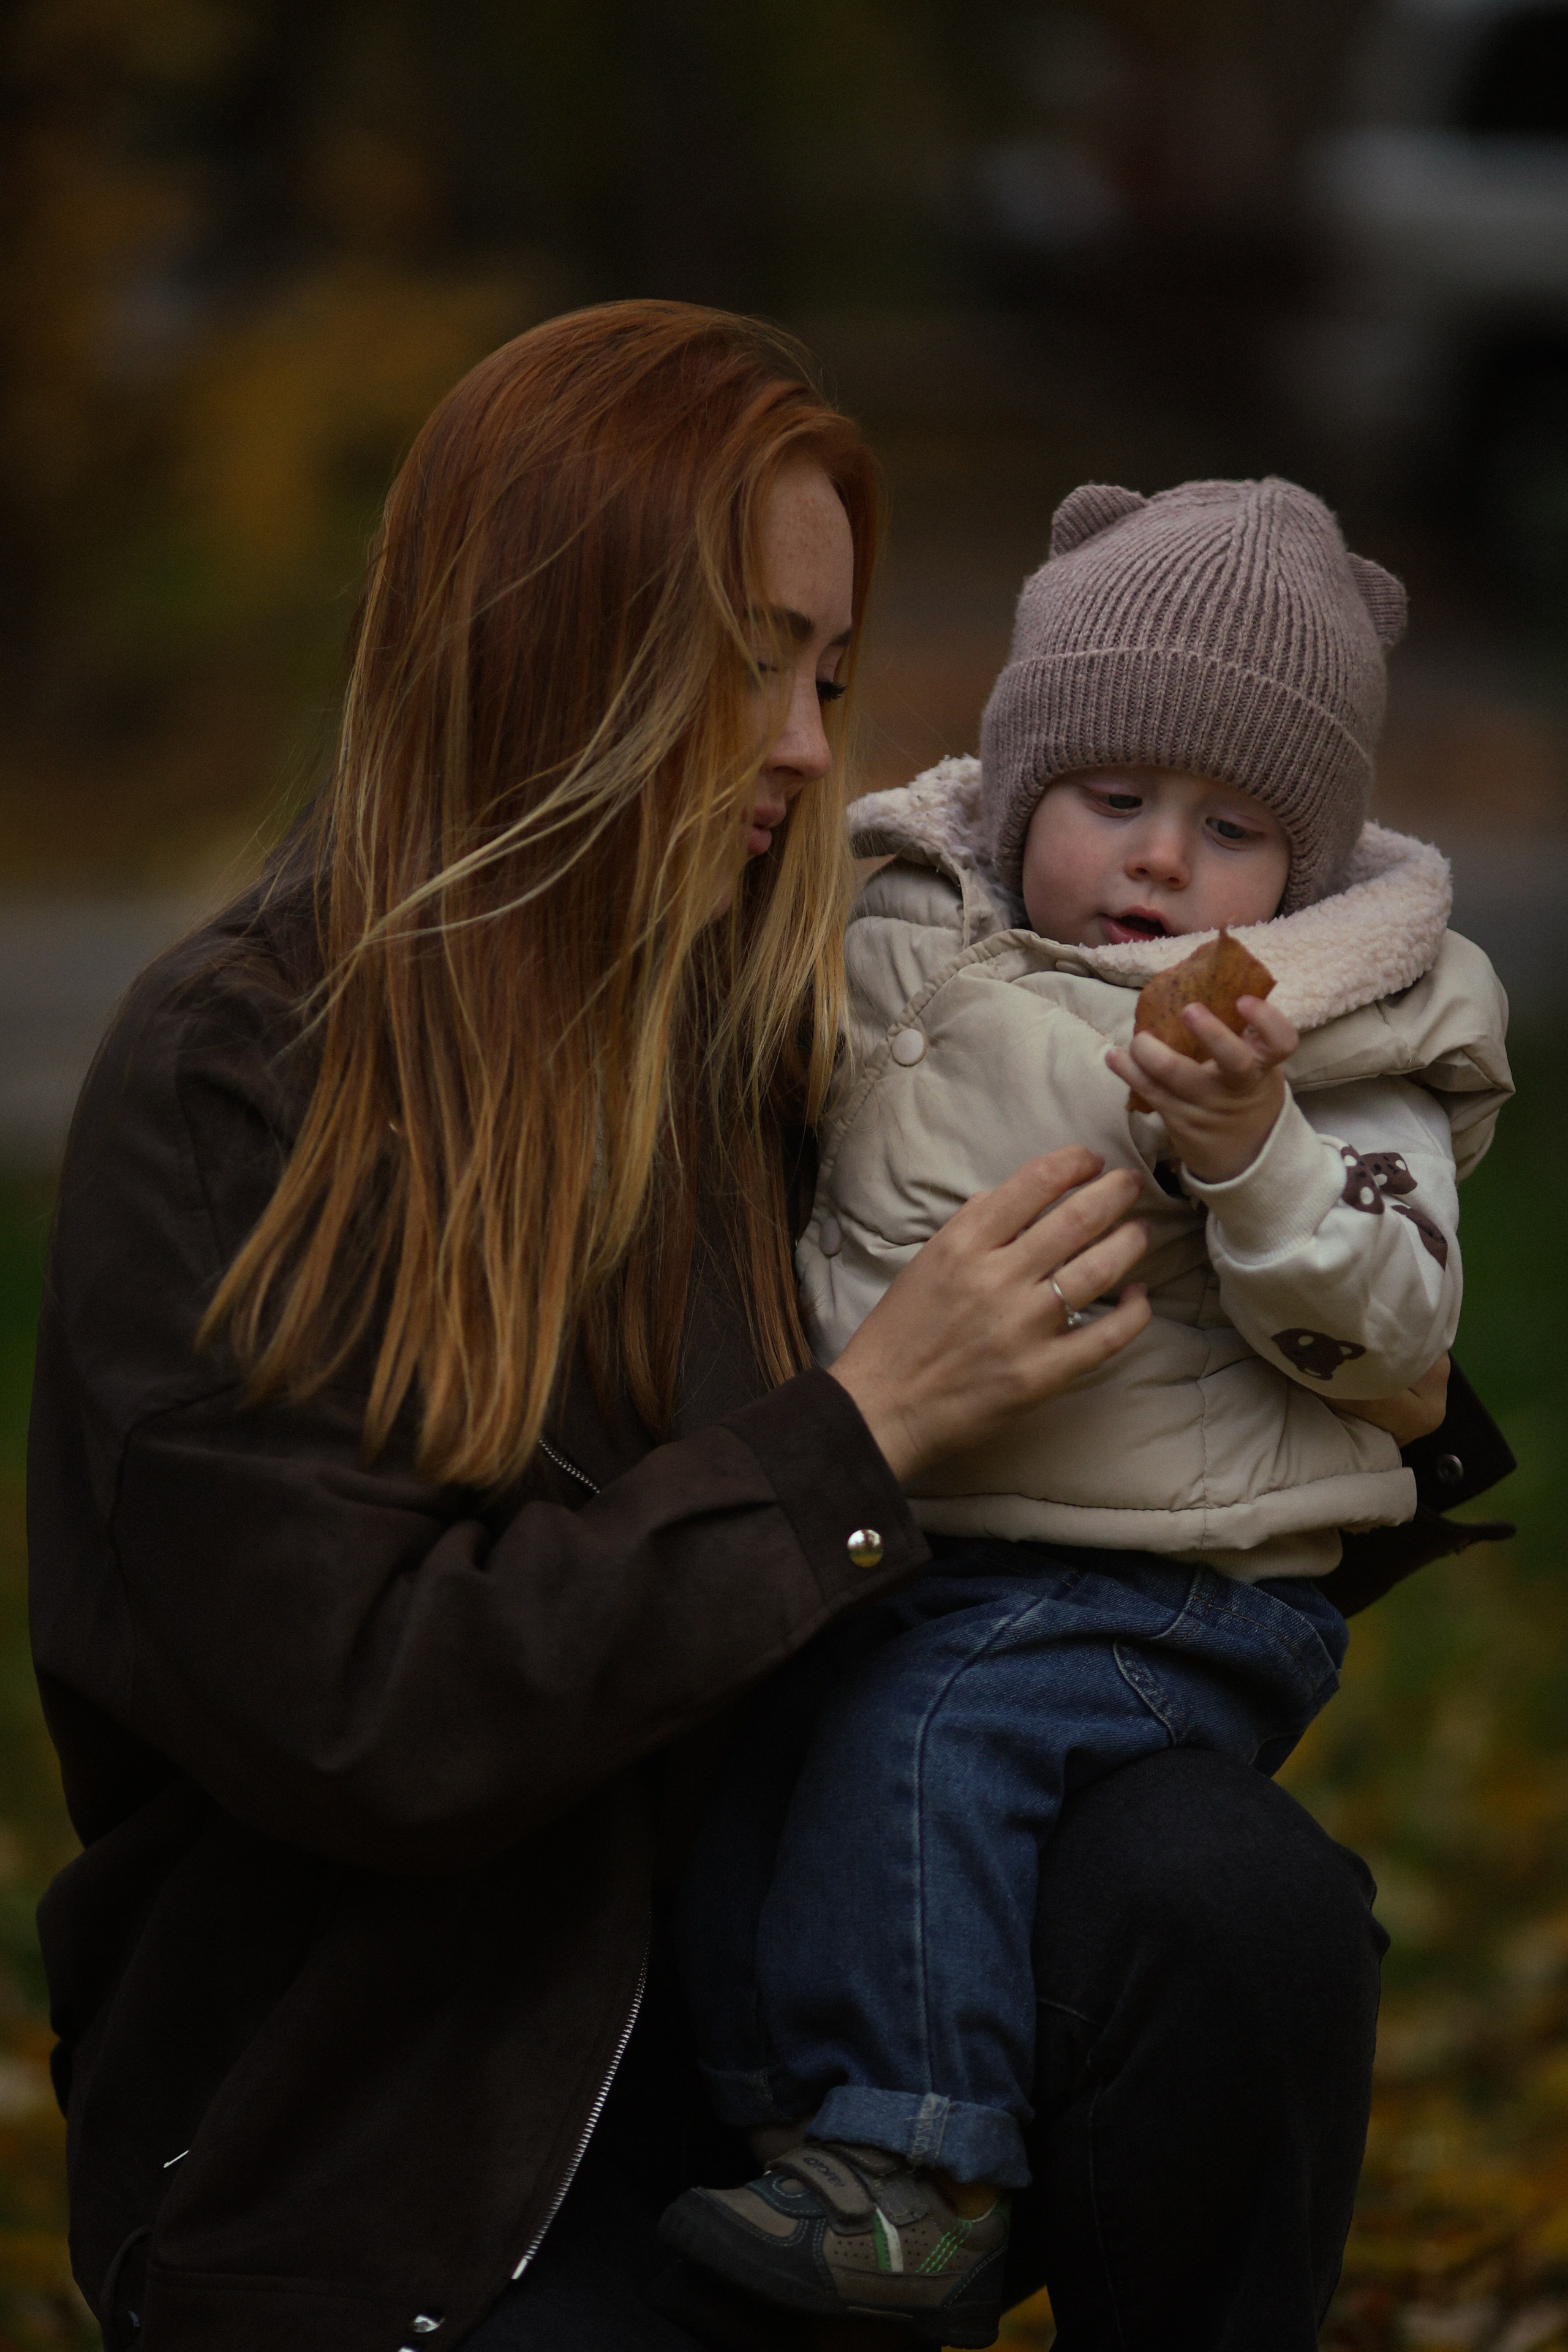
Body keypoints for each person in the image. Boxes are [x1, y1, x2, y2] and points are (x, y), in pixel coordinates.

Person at [23, 311, 1393, 2352]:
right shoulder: (244, 1076)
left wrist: (1360, 1305)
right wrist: (857, 1433)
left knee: (1234, 1899)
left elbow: (1224, 1294)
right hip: (403, 2135)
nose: (808, 747)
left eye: (828, 675)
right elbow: (360, 1715)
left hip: (782, 2005)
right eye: (747, 657)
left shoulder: (777, 1020)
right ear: (540, 638)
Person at [661, 479, 1513, 2346]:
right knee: (761, 1758)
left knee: (930, 1729)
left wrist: (1254, 1153)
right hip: (914, 1527)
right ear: (1026, 781)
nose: (1157, 862)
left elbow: (1399, 1319)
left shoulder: (1336, 1031)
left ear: (1302, 869)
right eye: (1113, 798)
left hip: (1166, 1588)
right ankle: (776, 2126)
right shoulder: (907, 924)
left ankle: (922, 2164)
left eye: (1229, 830)